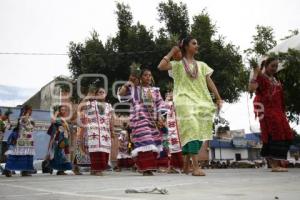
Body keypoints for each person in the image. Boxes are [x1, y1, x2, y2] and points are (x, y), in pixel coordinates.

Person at [158, 36, 223, 176]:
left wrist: (218, 98)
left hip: (201, 101)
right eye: (194, 43)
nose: (197, 45)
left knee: (198, 132)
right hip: (184, 100)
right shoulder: (178, 65)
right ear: (186, 46)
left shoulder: (202, 65)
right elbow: (161, 66)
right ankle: (195, 167)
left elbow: (209, 82)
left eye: (197, 43)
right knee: (192, 128)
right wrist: (171, 52)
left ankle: (186, 166)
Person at [249, 57, 294, 172]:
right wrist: (255, 73)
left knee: (287, 134)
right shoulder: (261, 77)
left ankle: (275, 162)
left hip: (279, 111)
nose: (275, 68)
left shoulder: (274, 79)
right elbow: (251, 88)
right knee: (275, 134)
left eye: (276, 66)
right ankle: (274, 165)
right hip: (268, 111)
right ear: (266, 65)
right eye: (272, 66)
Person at [118, 68, 166, 176]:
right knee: (145, 141)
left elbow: (160, 104)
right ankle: (145, 168)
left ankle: (147, 167)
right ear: (140, 77)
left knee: (154, 142)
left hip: (152, 120)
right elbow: (121, 95)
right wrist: (128, 83)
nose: (148, 77)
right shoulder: (134, 89)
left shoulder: (155, 90)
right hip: (139, 119)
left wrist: (161, 117)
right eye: (145, 75)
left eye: (149, 75)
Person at [82, 87, 114, 176]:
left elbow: (111, 119)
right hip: (94, 131)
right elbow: (81, 107)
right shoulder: (91, 104)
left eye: (103, 92)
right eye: (99, 92)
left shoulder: (109, 106)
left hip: (105, 132)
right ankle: (96, 169)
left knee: (104, 149)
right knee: (96, 150)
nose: (101, 93)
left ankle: (95, 169)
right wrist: (87, 97)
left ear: (106, 94)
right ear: (96, 95)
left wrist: (112, 130)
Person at [4, 105, 35, 177]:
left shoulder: (30, 119)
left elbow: (32, 128)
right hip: (22, 140)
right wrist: (26, 114)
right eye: (29, 110)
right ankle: (8, 169)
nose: (31, 112)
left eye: (31, 110)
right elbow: (25, 122)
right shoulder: (22, 118)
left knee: (28, 155)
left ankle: (25, 171)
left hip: (29, 140)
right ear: (26, 111)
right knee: (18, 155)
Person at [47, 105, 72, 175]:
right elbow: (52, 121)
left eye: (64, 110)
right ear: (59, 111)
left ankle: (59, 169)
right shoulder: (58, 119)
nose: (64, 111)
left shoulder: (64, 119)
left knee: (64, 153)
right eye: (62, 110)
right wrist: (55, 113)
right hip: (60, 139)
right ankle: (60, 170)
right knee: (60, 153)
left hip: (65, 139)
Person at [165, 92, 184, 173]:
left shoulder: (177, 102)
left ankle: (183, 166)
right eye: (168, 94)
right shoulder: (167, 103)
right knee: (172, 147)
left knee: (178, 146)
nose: (169, 95)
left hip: (177, 126)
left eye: (171, 93)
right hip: (170, 128)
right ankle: (173, 166)